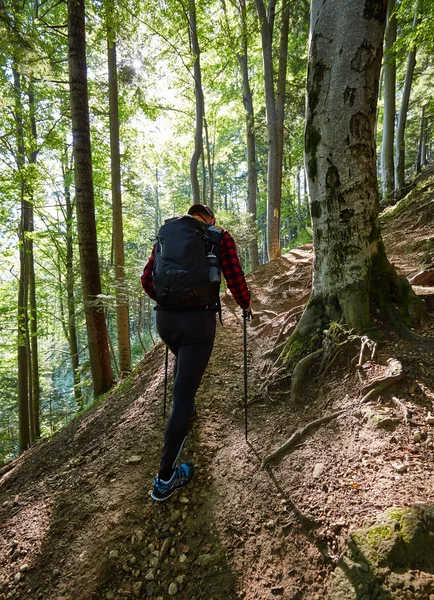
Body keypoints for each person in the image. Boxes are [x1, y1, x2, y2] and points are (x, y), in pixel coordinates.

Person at [141, 203, 252, 501]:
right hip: (198, 324)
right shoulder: (219, 236)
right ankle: (165, 480)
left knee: (183, 372)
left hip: (165, 320)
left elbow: (146, 279)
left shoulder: (167, 234)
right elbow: (235, 278)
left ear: (189, 216)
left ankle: (186, 412)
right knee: (182, 395)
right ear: (209, 218)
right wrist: (246, 304)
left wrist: (169, 303)